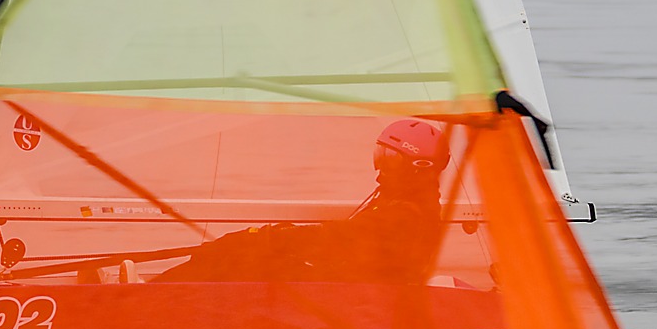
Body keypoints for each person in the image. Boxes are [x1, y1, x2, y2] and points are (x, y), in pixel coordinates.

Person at [154, 119, 450, 285]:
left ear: (419, 166)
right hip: (346, 282)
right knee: (231, 250)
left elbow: (345, 240)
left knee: (237, 257)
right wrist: (275, 237)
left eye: (390, 159)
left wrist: (278, 238)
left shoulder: (406, 213)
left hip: (351, 295)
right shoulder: (403, 201)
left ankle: (154, 300)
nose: (381, 166)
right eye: (379, 155)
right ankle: (158, 296)